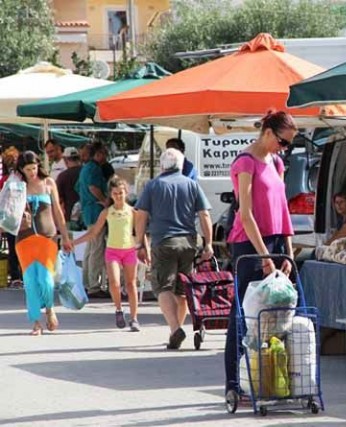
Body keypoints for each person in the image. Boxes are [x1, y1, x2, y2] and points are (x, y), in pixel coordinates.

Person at [224, 110, 296, 395]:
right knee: (243, 312)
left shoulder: (276, 162)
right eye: (283, 141)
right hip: (250, 245)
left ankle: (269, 378)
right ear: (267, 133)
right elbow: (245, 214)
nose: (285, 148)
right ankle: (233, 383)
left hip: (276, 242)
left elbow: (283, 208)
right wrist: (264, 256)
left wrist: (287, 252)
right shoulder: (246, 162)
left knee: (279, 312)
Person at [135, 148, 213, 349]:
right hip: (188, 243)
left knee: (163, 287)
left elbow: (141, 215)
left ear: (162, 165)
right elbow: (204, 215)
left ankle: (175, 328)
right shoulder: (191, 184)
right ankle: (175, 331)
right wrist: (209, 244)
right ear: (180, 165)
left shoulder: (153, 186)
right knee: (182, 289)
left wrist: (139, 244)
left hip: (163, 242)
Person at [73, 177, 146, 331]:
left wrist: (146, 251)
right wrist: (73, 243)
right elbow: (93, 233)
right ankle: (119, 309)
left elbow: (141, 233)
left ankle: (134, 318)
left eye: (121, 193)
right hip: (112, 250)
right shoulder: (107, 212)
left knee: (131, 284)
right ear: (111, 195)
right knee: (114, 283)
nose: (118, 196)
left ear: (126, 193)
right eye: (115, 193)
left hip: (129, 250)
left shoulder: (133, 212)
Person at [15, 151, 73, 335]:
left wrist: (65, 236)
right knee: (30, 281)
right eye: (27, 169)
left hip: (47, 238)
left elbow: (58, 211)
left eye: (34, 168)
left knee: (46, 280)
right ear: (21, 170)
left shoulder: (48, 183)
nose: (32, 172)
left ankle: (49, 308)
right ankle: (36, 322)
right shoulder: (17, 185)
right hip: (24, 239)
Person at [77, 142, 109, 297]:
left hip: (88, 210)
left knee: (90, 248)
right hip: (96, 211)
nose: (106, 157)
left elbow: (79, 187)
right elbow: (93, 187)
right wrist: (104, 200)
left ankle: (87, 282)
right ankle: (94, 286)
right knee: (96, 248)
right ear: (98, 153)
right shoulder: (95, 169)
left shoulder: (85, 168)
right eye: (104, 153)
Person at [0, 147, 22, 288]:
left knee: (14, 247)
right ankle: (17, 275)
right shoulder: (9, 179)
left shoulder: (5, 180)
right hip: (14, 217)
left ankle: (16, 276)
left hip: (10, 218)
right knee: (16, 247)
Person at [55, 147, 82, 224]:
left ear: (65, 160)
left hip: (70, 216)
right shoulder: (86, 172)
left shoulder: (62, 176)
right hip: (87, 214)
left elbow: (58, 198)